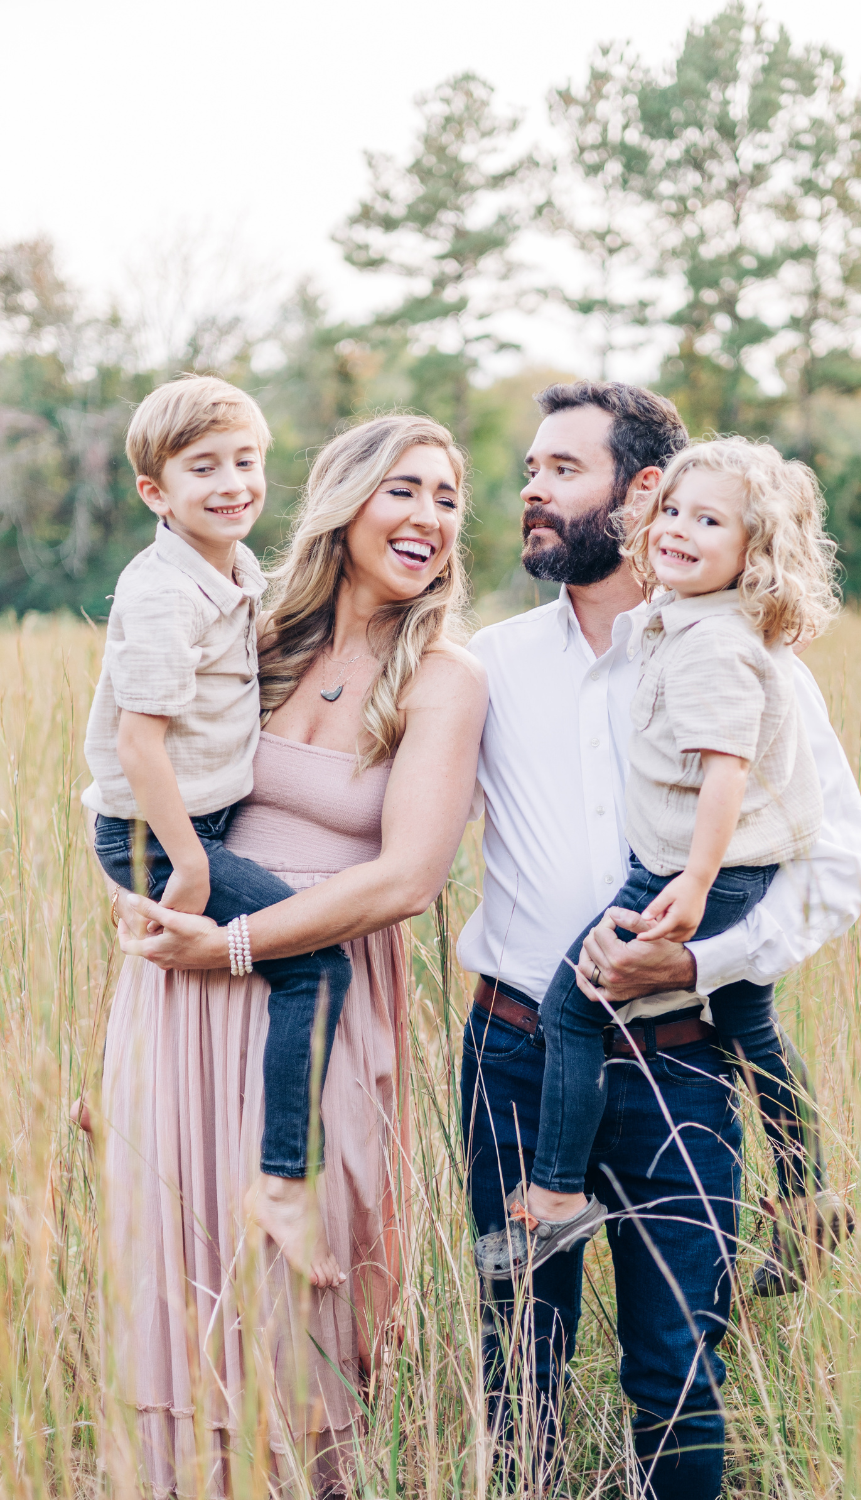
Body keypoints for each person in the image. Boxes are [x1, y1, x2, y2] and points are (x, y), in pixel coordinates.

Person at [458, 381, 861, 1498]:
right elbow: (396, 838)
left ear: (641, 490)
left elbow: (836, 866)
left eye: (561, 470)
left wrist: (696, 962)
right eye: (530, 470)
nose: (531, 491)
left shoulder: (751, 660)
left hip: (683, 1061)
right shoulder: (484, 665)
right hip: (511, 1060)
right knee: (516, 1370)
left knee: (678, 1368)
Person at [96, 413, 488, 1497]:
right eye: (404, 490)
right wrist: (124, 1001)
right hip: (178, 993)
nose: (428, 518)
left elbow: (407, 880)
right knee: (176, 1278)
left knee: (296, 1298)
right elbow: (151, 805)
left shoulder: (443, 677)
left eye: (448, 499)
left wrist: (230, 945)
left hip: (314, 1004)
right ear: (344, 501)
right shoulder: (247, 632)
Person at [473, 435, 849, 1282]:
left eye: (706, 519)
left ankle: (558, 1201)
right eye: (673, 512)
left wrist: (693, 888)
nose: (678, 528)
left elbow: (725, 775)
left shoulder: (711, 646)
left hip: (691, 873)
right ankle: (807, 1193)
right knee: (751, 1022)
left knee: (575, 1008)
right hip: (735, 869)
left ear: (754, 551)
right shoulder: (683, 625)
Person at [82, 373, 352, 1287]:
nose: (234, 482)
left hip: (195, 815)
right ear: (156, 492)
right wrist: (188, 864)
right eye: (205, 468)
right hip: (158, 831)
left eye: (246, 461)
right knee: (315, 963)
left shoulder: (232, 567)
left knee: (167, 951)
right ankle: (283, 1180)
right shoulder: (161, 595)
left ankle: (105, 1084)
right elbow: (137, 741)